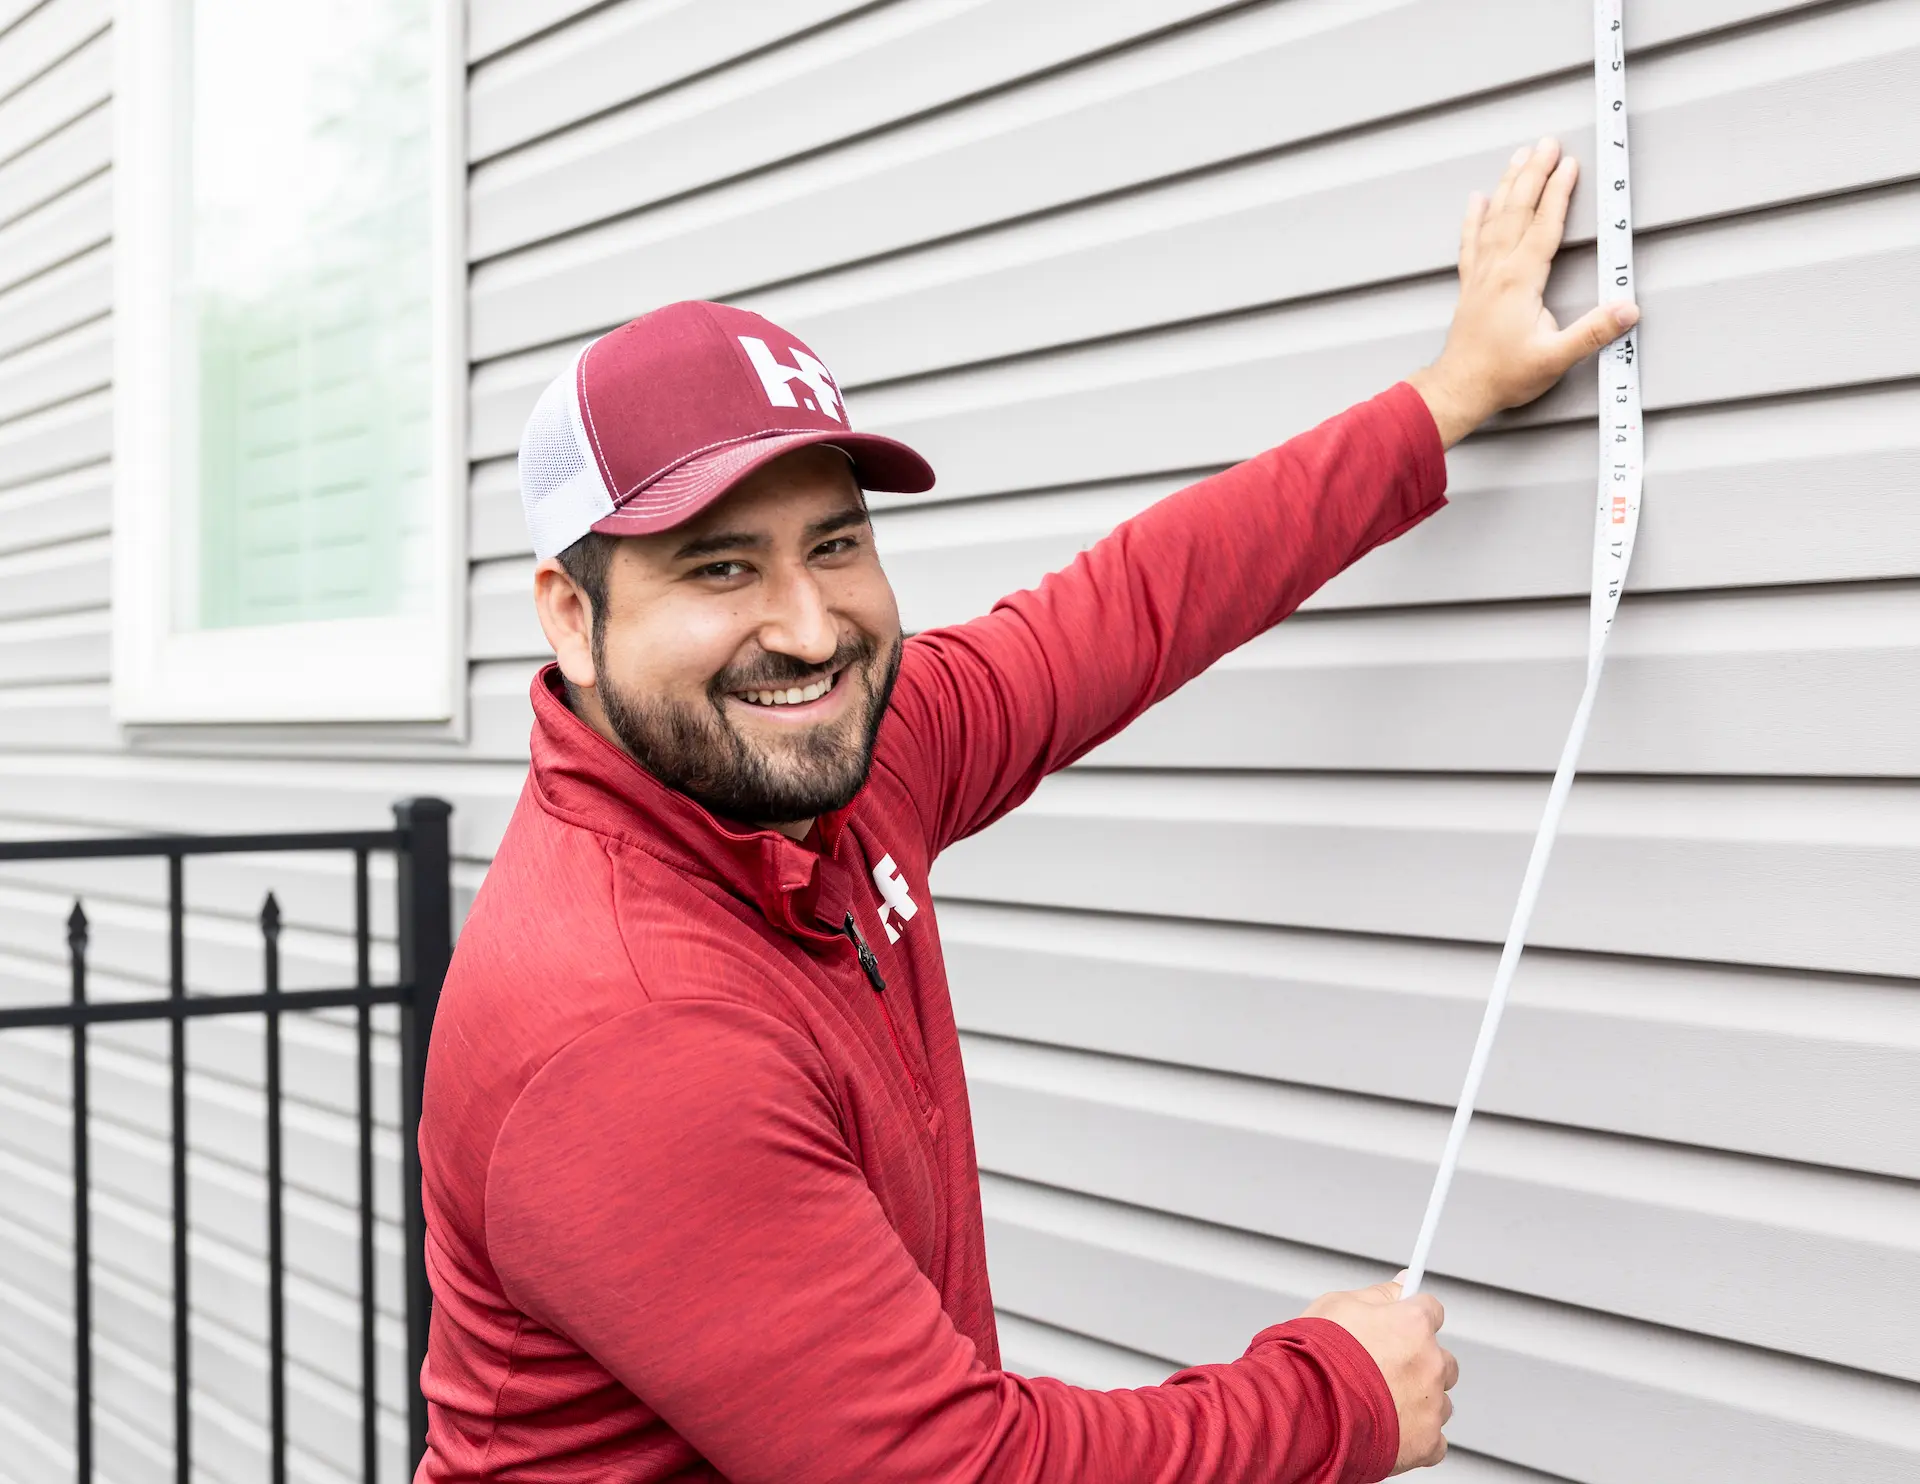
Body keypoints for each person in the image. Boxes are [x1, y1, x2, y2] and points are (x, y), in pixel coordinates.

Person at [416, 137, 1637, 1483]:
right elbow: (953, 1471)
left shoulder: (834, 777)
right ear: (572, 618)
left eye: (836, 543)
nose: (812, 628)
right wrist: (1335, 1400)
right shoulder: (629, 1029)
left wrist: (1443, 397)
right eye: (721, 567)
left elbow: (1125, 611)